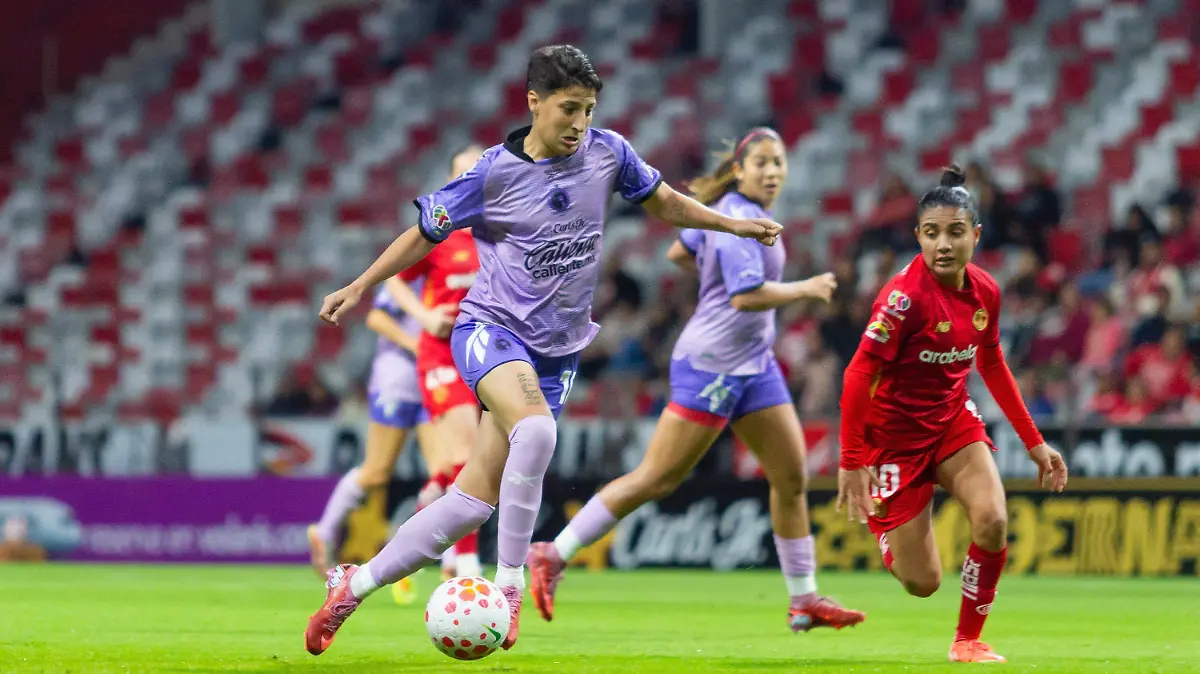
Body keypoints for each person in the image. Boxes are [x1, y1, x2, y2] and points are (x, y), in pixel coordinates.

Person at [304, 44, 781, 657]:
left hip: (555, 351)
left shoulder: (608, 152)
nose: (579, 124)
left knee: (470, 504)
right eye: (567, 110)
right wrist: (359, 285)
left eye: (587, 109)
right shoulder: (492, 174)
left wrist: (730, 224)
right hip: (489, 330)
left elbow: (662, 201)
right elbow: (423, 235)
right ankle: (509, 587)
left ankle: (354, 584)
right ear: (534, 103)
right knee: (537, 433)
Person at [524, 127, 865, 633]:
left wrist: (708, 258)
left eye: (779, 162)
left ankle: (804, 599)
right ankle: (554, 552)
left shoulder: (730, 218)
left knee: (790, 477)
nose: (772, 172)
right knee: (657, 478)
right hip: (712, 365)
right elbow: (745, 297)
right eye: (762, 163)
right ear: (739, 170)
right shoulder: (739, 220)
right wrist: (806, 288)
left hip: (753, 362)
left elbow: (678, 253)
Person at [836, 166, 1069, 664]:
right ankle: (886, 528)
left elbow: (991, 362)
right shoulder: (903, 300)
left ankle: (968, 640)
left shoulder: (986, 291)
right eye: (932, 233)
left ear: (976, 235)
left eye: (956, 232)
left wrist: (1034, 442)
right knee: (922, 583)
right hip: (893, 440)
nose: (944, 244)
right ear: (918, 236)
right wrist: (853, 459)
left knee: (992, 519)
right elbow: (857, 376)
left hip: (950, 423)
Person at [306, 146, 483, 586]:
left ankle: (429, 537)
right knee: (381, 469)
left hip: (457, 362)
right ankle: (326, 530)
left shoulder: (492, 239)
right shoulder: (431, 240)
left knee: (447, 467)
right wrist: (423, 330)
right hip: (404, 370)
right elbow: (380, 311)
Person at [386, 143, 487, 579]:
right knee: (469, 455)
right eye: (462, 174)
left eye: (477, 173)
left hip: (485, 354)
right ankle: (465, 562)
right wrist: (425, 316)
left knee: (457, 465)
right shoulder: (438, 234)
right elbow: (394, 280)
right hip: (440, 354)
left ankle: (429, 509)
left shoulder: (500, 232)